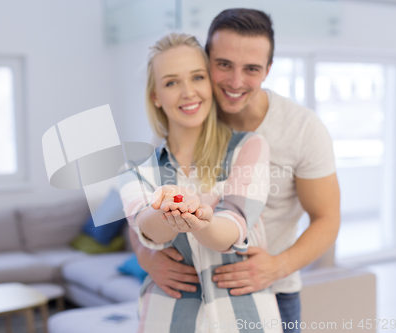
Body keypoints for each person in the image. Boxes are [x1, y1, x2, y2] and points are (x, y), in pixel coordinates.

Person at [130, 9, 341, 333]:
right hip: (190, 291)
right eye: (224, 64)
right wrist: (146, 255)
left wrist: (275, 267)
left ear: (268, 70)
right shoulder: (186, 117)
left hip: (267, 287)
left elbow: (327, 218)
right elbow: (141, 204)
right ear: (207, 59)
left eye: (252, 69)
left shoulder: (301, 129)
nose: (236, 82)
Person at [119, 32, 282, 332]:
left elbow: (234, 224)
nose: (188, 92)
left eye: (197, 77)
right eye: (171, 82)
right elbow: (145, 226)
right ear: (155, 95)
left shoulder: (249, 147)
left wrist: (200, 221)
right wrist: (170, 208)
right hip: (166, 319)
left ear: (210, 83)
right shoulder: (135, 167)